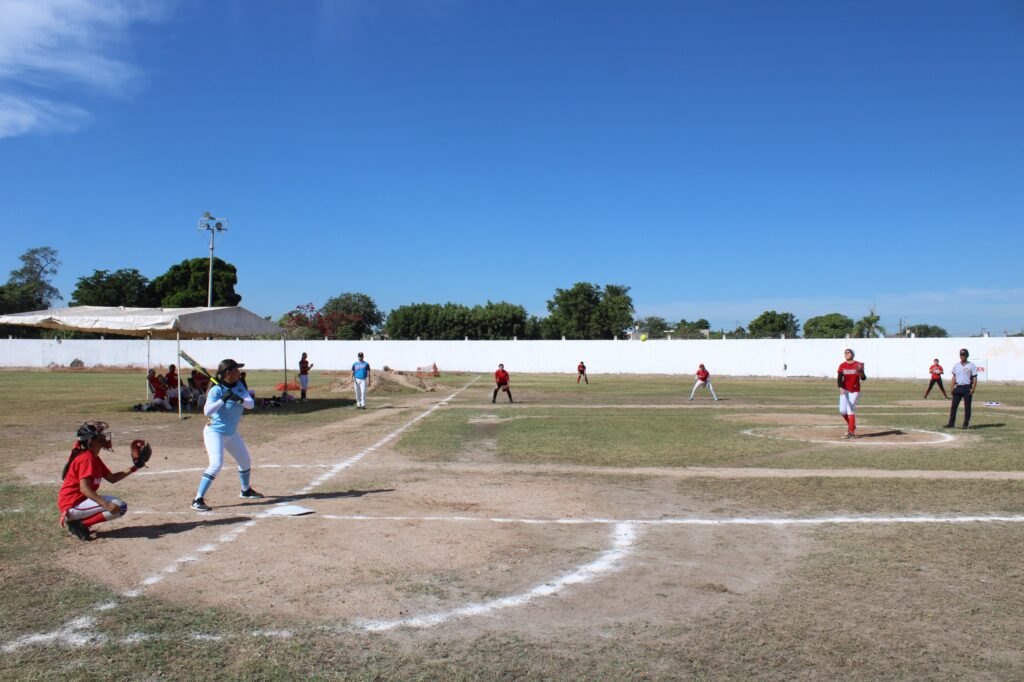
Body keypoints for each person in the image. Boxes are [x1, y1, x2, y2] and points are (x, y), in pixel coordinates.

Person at [191, 359, 262, 511]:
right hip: (214, 432)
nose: (238, 372)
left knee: (245, 461)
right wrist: (222, 400)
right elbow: (207, 411)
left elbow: (250, 404)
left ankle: (245, 490)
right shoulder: (216, 390)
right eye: (235, 370)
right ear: (228, 373)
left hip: (231, 433)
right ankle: (197, 499)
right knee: (216, 464)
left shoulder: (240, 385)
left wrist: (239, 399)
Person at [58, 421, 141, 541]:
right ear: (91, 441)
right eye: (100, 435)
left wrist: (135, 467)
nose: (104, 437)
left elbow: (112, 478)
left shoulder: (94, 457)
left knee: (119, 506)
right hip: (72, 503)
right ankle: (79, 525)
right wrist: (106, 505)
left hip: (80, 501)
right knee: (120, 506)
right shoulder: (87, 458)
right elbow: (84, 488)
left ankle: (80, 523)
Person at [837, 348, 867, 439]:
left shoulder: (857, 365)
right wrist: (840, 387)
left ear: (852, 354)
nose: (846, 354)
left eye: (848, 353)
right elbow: (839, 378)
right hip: (845, 390)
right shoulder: (842, 365)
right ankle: (852, 425)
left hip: (854, 391)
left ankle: (851, 432)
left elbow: (863, 378)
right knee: (842, 410)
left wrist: (861, 373)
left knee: (850, 410)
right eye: (845, 353)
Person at [945, 348, 977, 430]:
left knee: (967, 407)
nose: (962, 357)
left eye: (963, 355)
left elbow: (974, 378)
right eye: (961, 355)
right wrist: (952, 388)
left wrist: (973, 389)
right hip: (958, 387)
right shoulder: (956, 365)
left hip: (967, 387)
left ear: (967, 356)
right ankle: (951, 423)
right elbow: (954, 377)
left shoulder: (971, 366)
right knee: (954, 406)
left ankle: (965, 424)